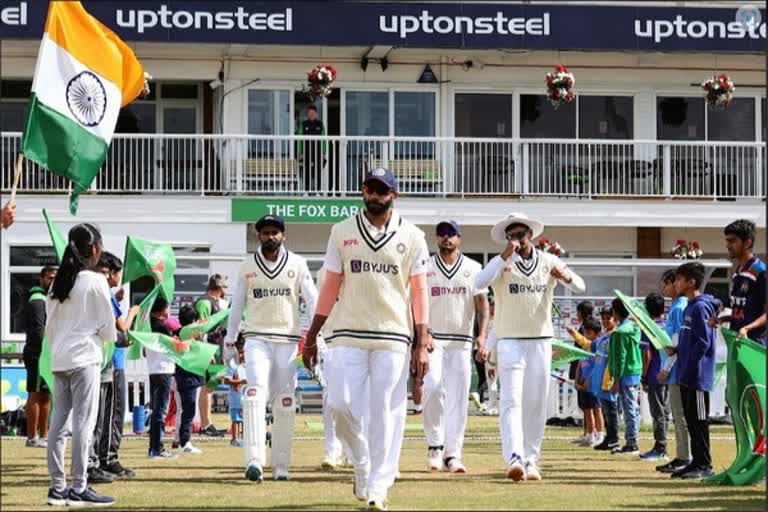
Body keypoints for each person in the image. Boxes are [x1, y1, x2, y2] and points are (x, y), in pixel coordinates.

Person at [302, 168, 431, 510]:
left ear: (394, 195)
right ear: (363, 190)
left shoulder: (414, 236)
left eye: (382, 190)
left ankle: (378, 486)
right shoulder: (341, 231)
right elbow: (329, 285)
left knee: (385, 413)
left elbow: (419, 292)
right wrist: (313, 334)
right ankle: (362, 462)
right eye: (370, 189)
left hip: (393, 334)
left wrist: (422, 342)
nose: (374, 196)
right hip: (346, 332)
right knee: (339, 404)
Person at [475, 212, 585, 482]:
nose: (517, 239)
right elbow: (477, 284)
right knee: (511, 401)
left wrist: (565, 278)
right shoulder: (501, 263)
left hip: (540, 340)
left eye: (521, 234)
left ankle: (531, 458)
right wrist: (502, 256)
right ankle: (513, 457)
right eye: (511, 235)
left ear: (530, 236)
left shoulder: (548, 261)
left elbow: (581, 285)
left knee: (535, 403)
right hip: (510, 341)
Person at [223, 214, 318, 482]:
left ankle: (281, 466)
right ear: (259, 236)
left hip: (287, 341)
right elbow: (237, 304)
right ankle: (254, 461)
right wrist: (230, 339)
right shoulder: (247, 265)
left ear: (283, 235)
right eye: (265, 232)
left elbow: (313, 301)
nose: (270, 237)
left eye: (275, 232)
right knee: (254, 394)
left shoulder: (298, 264)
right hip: (256, 339)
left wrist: (316, 337)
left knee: (284, 402)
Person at [45, 223, 117, 506]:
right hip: (85, 358)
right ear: (95, 249)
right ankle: (79, 487)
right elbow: (109, 330)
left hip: (60, 358)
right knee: (83, 424)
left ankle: (57, 487)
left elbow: (51, 327)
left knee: (58, 425)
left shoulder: (58, 282)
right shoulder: (94, 280)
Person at [422, 220, 489, 473]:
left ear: (459, 238)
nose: (446, 238)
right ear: (436, 238)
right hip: (433, 339)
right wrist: (422, 331)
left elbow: (482, 305)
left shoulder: (473, 268)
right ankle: (435, 446)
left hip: (461, 341)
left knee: (459, 397)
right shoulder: (426, 265)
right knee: (432, 386)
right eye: (441, 234)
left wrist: (482, 336)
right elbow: (416, 301)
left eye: (451, 234)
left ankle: (453, 453)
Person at [88, 253, 139, 483]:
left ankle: (103, 459)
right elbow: (121, 329)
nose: (114, 276)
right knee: (108, 416)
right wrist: (133, 313)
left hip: (108, 361)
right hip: (110, 362)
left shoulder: (105, 295)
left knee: (106, 416)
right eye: (112, 272)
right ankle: (104, 458)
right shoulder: (103, 294)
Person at [669, 262, 720, 479]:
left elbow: (703, 342)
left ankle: (705, 465)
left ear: (691, 282)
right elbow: (689, 341)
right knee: (691, 420)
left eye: (680, 279)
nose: (676, 283)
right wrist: (676, 349)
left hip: (696, 376)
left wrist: (690, 367)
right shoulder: (689, 306)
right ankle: (695, 462)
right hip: (685, 374)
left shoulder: (700, 307)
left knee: (699, 421)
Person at [656, 269, 691, 474]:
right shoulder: (676, 307)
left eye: (667, 283)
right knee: (678, 415)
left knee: (680, 415)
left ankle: (684, 457)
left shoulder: (680, 308)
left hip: (676, 370)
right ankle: (681, 456)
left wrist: (666, 368)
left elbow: (677, 341)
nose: (665, 288)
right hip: (673, 368)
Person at [23, 265, 57, 448]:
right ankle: (32, 437)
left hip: (47, 353)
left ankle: (44, 436)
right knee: (36, 394)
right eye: (50, 277)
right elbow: (38, 332)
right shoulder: (37, 300)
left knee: (46, 395)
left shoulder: (48, 299)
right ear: (41, 278)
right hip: (38, 353)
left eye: (56, 278)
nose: (53, 281)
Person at [719, 219, 766, 345]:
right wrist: (722, 318)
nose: (727, 245)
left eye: (732, 241)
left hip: (754, 344)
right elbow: (742, 312)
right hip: (737, 340)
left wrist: (747, 328)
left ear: (747, 243)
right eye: (727, 240)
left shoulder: (760, 271)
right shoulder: (738, 272)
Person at [608, 297, 642, 455]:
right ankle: (632, 440)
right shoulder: (634, 327)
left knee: (628, 409)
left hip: (625, 373)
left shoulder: (620, 332)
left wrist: (616, 378)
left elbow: (620, 356)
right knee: (632, 408)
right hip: (634, 370)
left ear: (615, 312)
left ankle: (632, 443)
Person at [639, 292, 671, 462]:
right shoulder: (667, 324)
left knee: (657, 412)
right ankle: (663, 446)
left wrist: (644, 377)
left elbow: (647, 355)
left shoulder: (648, 327)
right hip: (668, 372)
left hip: (654, 375)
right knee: (665, 411)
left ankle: (660, 448)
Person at [195, 274, 228, 438]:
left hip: (216, 349)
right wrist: (207, 352)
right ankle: (205, 424)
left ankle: (208, 423)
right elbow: (201, 329)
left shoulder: (212, 302)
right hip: (209, 350)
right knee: (207, 387)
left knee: (211, 387)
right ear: (221, 289)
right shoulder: (205, 302)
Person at [566, 317, 605, 447]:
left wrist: (590, 380)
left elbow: (598, 366)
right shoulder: (585, 348)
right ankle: (589, 435)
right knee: (587, 410)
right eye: (585, 333)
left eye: (589, 333)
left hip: (593, 383)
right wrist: (577, 381)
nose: (586, 336)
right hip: (582, 382)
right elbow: (579, 365)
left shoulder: (599, 347)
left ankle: (599, 435)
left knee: (596, 409)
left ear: (597, 334)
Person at [147, 295, 178, 459]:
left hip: (153, 369)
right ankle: (157, 448)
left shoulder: (147, 325)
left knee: (156, 410)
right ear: (162, 308)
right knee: (161, 411)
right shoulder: (162, 326)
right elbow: (174, 347)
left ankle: (153, 447)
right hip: (163, 369)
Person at [174, 305, 205, 454]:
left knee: (187, 410)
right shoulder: (182, 335)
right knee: (188, 410)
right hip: (187, 377)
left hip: (188, 376)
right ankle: (184, 442)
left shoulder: (180, 333)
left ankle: (183, 440)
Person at [592, 306, 621, 452]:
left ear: (615, 319)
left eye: (607, 318)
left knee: (611, 410)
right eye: (602, 318)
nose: (604, 321)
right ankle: (608, 438)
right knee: (605, 410)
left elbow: (615, 358)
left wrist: (614, 378)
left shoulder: (615, 335)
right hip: (600, 378)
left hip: (608, 378)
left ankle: (614, 439)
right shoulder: (603, 336)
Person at [570, 300, 594, 443]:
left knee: (589, 405)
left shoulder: (586, 328)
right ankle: (586, 432)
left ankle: (591, 433)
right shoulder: (583, 327)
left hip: (585, 370)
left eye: (578, 312)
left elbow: (582, 350)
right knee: (584, 404)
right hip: (581, 369)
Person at [297, 105, 326, 193]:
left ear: (316, 114)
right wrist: (300, 152)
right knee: (306, 171)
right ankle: (306, 191)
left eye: (313, 113)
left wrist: (324, 152)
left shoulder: (320, 124)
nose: (311, 114)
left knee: (318, 172)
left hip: (318, 151)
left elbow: (324, 138)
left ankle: (317, 191)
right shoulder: (303, 124)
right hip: (306, 151)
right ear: (307, 114)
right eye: (310, 113)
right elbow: (300, 139)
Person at [225, 339, 247, 448]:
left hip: (245, 398)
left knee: (245, 419)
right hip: (235, 398)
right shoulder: (232, 365)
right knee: (236, 419)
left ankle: (244, 439)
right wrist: (240, 382)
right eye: (240, 352)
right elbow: (227, 380)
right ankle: (234, 438)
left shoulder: (247, 366)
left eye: (244, 352)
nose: (242, 355)